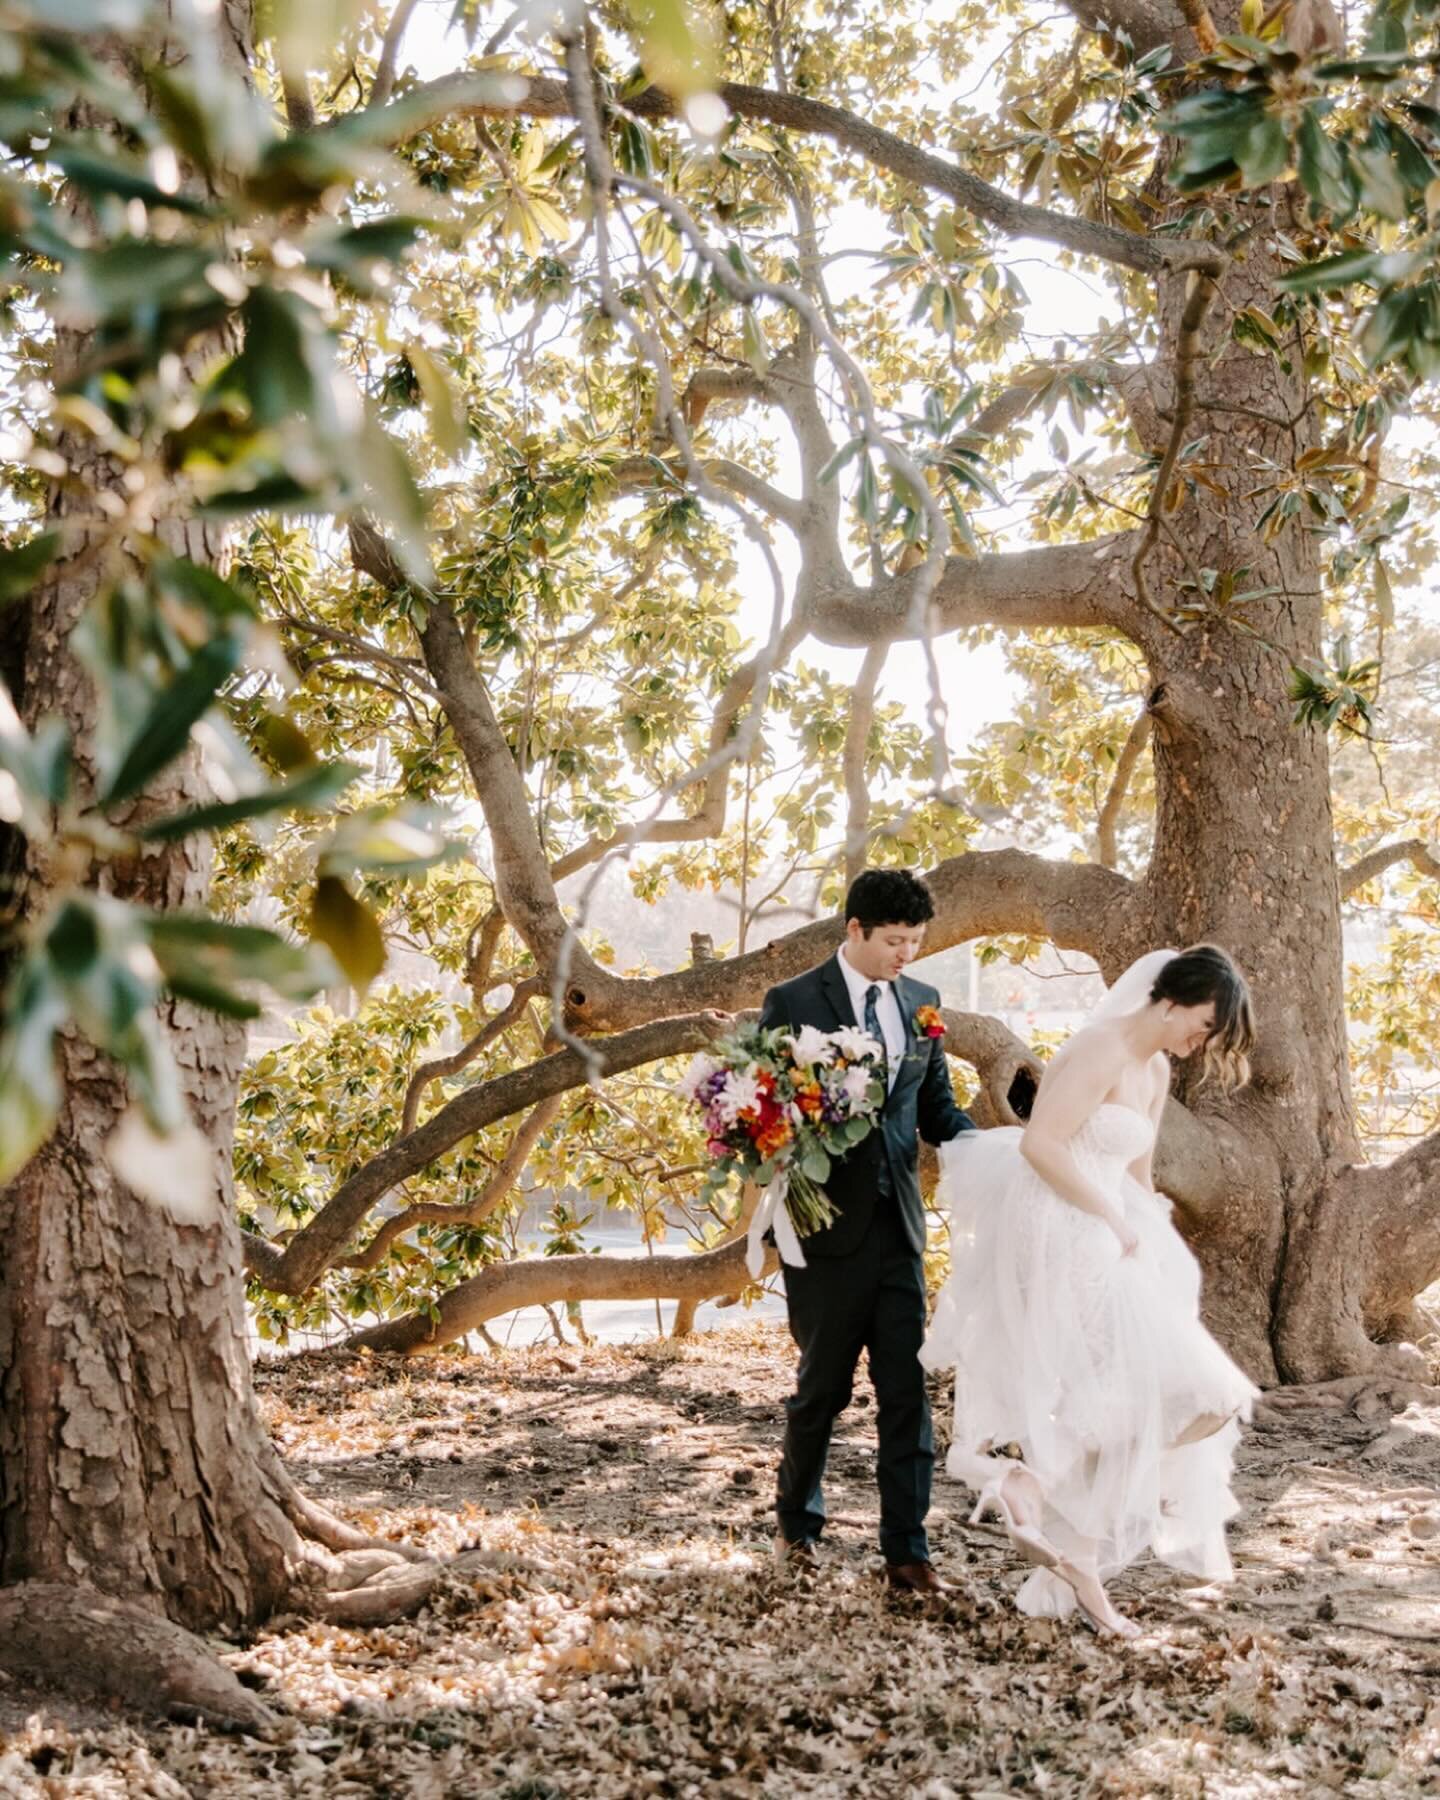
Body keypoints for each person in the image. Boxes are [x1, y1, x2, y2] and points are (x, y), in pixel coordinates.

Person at [921, 945, 1260, 1637]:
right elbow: (1039, 1146)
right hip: (1056, 1229)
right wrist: (1107, 1218)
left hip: (1110, 1234)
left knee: (1188, 1403)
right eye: (1202, 1023)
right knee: (1185, 1394)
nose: (1201, 1043)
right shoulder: (1097, 1050)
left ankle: (1066, 1544)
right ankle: (1045, 1507)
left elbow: (1137, 1176)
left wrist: (1159, 1243)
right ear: (1171, 999)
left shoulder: (1157, 1070)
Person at [759, 867, 976, 1595]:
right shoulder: (791, 1002)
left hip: (901, 1236)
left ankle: (907, 1554)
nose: (905, 955)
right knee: (821, 1391)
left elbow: (937, 1108)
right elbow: (764, 1116)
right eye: (893, 940)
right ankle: (797, 1528)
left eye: (915, 941)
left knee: (907, 1392)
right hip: (824, 1237)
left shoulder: (922, 1003)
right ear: (854, 930)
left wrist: (995, 1147)